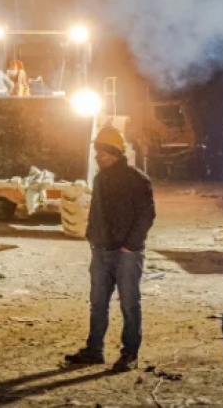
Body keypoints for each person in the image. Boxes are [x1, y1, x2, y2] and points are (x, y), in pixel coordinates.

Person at [65, 126, 155, 373]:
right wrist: (92, 238)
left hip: (126, 253)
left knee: (129, 304)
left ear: (114, 152)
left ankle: (130, 354)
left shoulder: (137, 179)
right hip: (102, 251)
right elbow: (97, 212)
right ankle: (94, 350)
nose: (97, 157)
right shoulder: (100, 178)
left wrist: (130, 246)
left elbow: (147, 215)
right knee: (98, 303)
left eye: (101, 153)